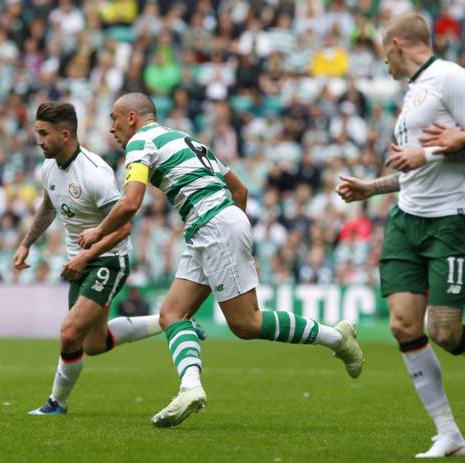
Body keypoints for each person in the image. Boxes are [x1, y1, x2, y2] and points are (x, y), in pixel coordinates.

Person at [78, 92, 363, 428]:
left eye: (114, 118)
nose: (111, 128)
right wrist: (232, 230)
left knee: (246, 324)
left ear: (132, 118)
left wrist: (97, 233)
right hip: (210, 227)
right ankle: (190, 388)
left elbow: (130, 203)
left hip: (213, 226)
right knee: (172, 314)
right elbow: (239, 190)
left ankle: (336, 337)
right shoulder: (185, 138)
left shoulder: (140, 143)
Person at [13, 102, 204, 416]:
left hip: (108, 261)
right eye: (37, 133)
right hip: (81, 262)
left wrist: (86, 254)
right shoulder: (48, 168)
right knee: (93, 344)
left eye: (44, 133)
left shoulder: (94, 173)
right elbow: (48, 207)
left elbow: (124, 228)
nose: (39, 140)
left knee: (70, 332)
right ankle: (172, 322)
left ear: (65, 134)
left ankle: (56, 403)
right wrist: (26, 243)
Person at [336, 14, 465, 458]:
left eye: (382, 51)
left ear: (396, 44)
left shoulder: (450, 78)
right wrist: (371, 187)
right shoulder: (414, 94)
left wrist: (432, 148)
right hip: (406, 219)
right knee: (403, 324)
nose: (382, 61)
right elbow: (416, 169)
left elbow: (436, 151)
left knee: (446, 334)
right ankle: (448, 431)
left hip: (450, 219)